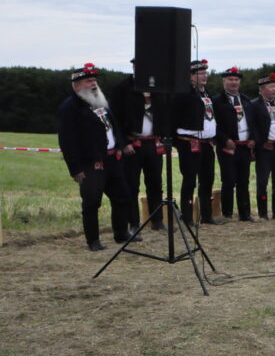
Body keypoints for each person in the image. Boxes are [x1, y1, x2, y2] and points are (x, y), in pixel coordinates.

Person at [57, 63, 137, 250]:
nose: (93, 84)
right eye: (88, 81)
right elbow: (67, 142)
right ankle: (93, 240)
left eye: (94, 80)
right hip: (91, 163)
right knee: (92, 203)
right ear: (76, 86)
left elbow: (114, 125)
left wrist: (121, 145)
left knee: (122, 197)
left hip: (113, 159)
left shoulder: (100, 101)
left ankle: (121, 233)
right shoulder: (69, 108)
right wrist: (75, 170)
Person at [109, 60, 165, 232]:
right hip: (132, 145)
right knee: (131, 185)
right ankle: (133, 224)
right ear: (134, 67)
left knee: (155, 184)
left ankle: (157, 221)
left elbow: (165, 111)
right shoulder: (122, 88)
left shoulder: (158, 87)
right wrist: (124, 143)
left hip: (153, 143)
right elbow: (114, 119)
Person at [173, 59, 220, 226]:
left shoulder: (206, 93)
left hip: (207, 142)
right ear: (191, 76)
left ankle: (206, 215)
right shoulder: (183, 93)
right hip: (189, 141)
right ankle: (187, 216)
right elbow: (174, 117)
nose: (204, 76)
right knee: (190, 179)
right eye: (200, 73)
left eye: (205, 72)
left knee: (207, 179)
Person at [212, 67, 257, 222]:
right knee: (229, 180)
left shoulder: (246, 100)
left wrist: (253, 138)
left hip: (245, 146)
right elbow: (213, 125)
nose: (233, 82)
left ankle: (245, 214)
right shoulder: (216, 101)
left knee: (244, 181)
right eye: (230, 80)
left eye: (236, 80)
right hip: (227, 147)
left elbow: (253, 123)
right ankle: (228, 214)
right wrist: (225, 140)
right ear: (224, 82)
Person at [249, 72, 275, 220]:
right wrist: (259, 144)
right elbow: (252, 127)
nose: (273, 89)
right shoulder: (254, 105)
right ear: (261, 89)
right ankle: (263, 214)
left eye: (274, 86)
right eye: (270, 87)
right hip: (265, 148)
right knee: (263, 182)